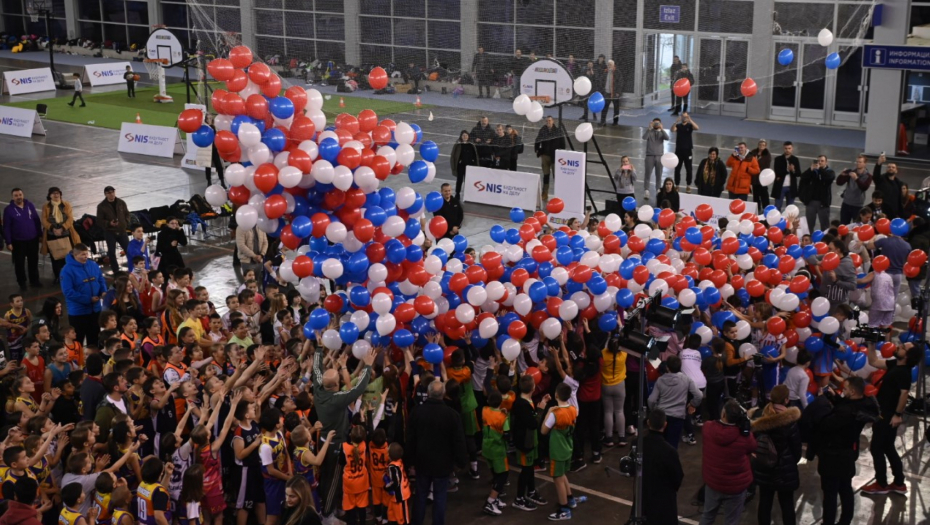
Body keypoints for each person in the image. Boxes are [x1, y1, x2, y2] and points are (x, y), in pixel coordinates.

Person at [312, 341, 375, 524]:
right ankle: (328, 514)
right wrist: (368, 366)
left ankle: (329, 507)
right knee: (333, 479)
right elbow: (358, 389)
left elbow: (316, 368)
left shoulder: (318, 389)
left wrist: (318, 348)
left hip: (323, 440)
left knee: (325, 476)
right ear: (335, 385)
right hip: (336, 444)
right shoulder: (337, 399)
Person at [805, 376, 879, 525]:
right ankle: (845, 520)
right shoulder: (861, 405)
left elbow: (825, 424)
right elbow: (845, 408)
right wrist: (835, 398)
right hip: (848, 454)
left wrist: (821, 404)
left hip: (833, 456)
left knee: (830, 494)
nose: (842, 391)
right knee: (846, 489)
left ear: (852, 391)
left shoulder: (845, 412)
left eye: (844, 389)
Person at [862, 342, 920, 496]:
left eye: (902, 347)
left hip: (888, 415)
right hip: (885, 413)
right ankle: (899, 482)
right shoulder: (896, 364)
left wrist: (897, 415)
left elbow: (904, 394)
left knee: (876, 448)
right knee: (888, 447)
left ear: (908, 355)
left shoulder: (903, 373)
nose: (898, 347)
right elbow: (873, 361)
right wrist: (871, 344)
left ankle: (881, 484)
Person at [407, 380, 467, 525]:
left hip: (422, 462)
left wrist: (409, 462)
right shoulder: (452, 415)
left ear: (428, 393)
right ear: (443, 394)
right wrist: (461, 462)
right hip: (443, 464)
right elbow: (458, 441)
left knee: (420, 495)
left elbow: (410, 439)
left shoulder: (417, 412)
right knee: (440, 497)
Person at [749, 385, 802, 525]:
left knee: (765, 503)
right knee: (787, 505)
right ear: (786, 400)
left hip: (764, 469)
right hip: (785, 472)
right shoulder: (790, 422)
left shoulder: (760, 417)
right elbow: (796, 450)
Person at [699, 399, 756, 525]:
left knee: (707, 515)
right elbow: (753, 447)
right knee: (731, 521)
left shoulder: (708, 428)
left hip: (713, 482)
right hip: (736, 487)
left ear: (723, 414)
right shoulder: (744, 437)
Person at [633, 408, 683, 524]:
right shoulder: (669, 451)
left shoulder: (637, 444)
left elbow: (632, 469)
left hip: (643, 500)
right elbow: (677, 477)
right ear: (665, 425)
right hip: (664, 504)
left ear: (648, 423)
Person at [541, 382, 579, 521]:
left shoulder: (555, 413)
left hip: (557, 450)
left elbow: (543, 431)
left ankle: (564, 509)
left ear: (556, 394)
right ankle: (570, 499)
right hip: (568, 448)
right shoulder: (573, 409)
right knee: (562, 474)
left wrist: (549, 412)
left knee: (557, 478)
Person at [647, 355, 702, 449]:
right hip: (678, 416)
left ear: (667, 367)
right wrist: (692, 404)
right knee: (673, 445)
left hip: (662, 416)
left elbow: (651, 400)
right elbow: (699, 395)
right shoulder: (686, 379)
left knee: (660, 445)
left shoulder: (660, 380)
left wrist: (655, 410)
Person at [60, 244, 106, 346]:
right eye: (82, 254)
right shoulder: (67, 270)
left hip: (95, 310)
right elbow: (68, 291)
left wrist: (103, 291)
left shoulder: (93, 265)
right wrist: (88, 299)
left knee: (94, 337)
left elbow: (100, 279)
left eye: (86, 254)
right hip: (78, 312)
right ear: (75, 255)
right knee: (78, 340)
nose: (85, 256)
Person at [4, 188, 43, 290]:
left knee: (33, 261)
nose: (19, 197)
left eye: (20, 195)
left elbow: (36, 220)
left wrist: (40, 234)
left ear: (23, 195)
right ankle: (22, 283)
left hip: (32, 239)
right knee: (19, 263)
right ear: (12, 197)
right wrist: (8, 242)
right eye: (16, 195)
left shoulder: (30, 205)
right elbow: (6, 227)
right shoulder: (8, 210)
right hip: (18, 242)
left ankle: (34, 280)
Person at [40, 187, 81, 282]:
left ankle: (71, 276)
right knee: (55, 258)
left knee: (68, 256)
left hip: (66, 234)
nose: (56, 195)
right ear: (49, 195)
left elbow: (70, 219)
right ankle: (58, 277)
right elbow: (44, 220)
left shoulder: (66, 205)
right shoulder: (46, 206)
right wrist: (52, 228)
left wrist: (62, 228)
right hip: (52, 235)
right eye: (53, 193)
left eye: (57, 193)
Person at [96, 186, 131, 275]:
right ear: (105, 194)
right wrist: (109, 223)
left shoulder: (121, 202)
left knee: (128, 250)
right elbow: (99, 221)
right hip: (110, 232)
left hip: (122, 230)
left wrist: (125, 222)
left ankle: (132, 268)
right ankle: (116, 271)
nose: (111, 194)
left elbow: (127, 213)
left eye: (112, 192)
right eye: (109, 193)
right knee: (111, 252)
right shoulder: (101, 206)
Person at [799, 155, 835, 231]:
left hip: (823, 203)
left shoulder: (830, 171)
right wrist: (810, 169)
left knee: (824, 224)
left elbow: (829, 178)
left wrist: (820, 170)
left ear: (826, 162)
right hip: (811, 202)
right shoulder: (813, 171)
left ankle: (824, 240)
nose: (820, 162)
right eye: (818, 161)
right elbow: (803, 177)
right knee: (809, 224)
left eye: (822, 161)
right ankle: (809, 239)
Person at [535, 116, 565, 202]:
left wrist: (560, 155)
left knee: (557, 176)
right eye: (547, 121)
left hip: (555, 157)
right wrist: (537, 150)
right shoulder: (543, 130)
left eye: (550, 120)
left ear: (553, 121)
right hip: (545, 156)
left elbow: (562, 144)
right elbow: (537, 140)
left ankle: (558, 194)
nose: (548, 122)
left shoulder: (558, 131)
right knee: (546, 175)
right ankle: (545, 193)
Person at [836, 154, 872, 225]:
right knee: (843, 225)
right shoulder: (851, 172)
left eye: (860, 162)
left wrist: (856, 179)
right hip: (846, 203)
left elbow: (864, 187)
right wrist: (841, 175)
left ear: (865, 164)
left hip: (857, 205)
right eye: (857, 162)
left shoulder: (868, 176)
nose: (858, 163)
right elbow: (839, 183)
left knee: (856, 225)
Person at [642, 118, 669, 201]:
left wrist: (662, 129)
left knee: (659, 174)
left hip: (659, 156)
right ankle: (646, 190)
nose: (656, 124)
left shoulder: (661, 133)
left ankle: (658, 189)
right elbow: (644, 137)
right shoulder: (650, 132)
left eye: (658, 123)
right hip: (649, 156)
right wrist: (649, 128)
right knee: (647, 174)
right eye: (655, 123)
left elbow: (667, 138)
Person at [671, 112, 698, 192]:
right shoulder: (678, 126)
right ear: (681, 117)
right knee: (677, 168)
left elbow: (697, 128)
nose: (684, 118)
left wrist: (690, 120)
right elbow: (672, 130)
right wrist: (676, 122)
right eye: (683, 116)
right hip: (679, 151)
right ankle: (677, 185)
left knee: (689, 169)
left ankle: (688, 185)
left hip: (688, 151)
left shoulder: (690, 126)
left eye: (686, 117)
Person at [772, 141, 801, 210]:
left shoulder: (795, 160)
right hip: (780, 187)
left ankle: (789, 221)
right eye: (786, 148)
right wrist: (787, 170)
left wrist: (793, 170)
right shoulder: (778, 159)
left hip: (791, 188)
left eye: (789, 148)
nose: (787, 150)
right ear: (783, 148)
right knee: (777, 207)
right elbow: (777, 172)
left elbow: (798, 173)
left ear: (792, 149)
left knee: (790, 208)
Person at [449, 131, 478, 198]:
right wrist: (453, 167)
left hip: (469, 166)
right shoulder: (458, 145)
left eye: (466, 135)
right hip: (461, 166)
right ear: (461, 137)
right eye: (463, 135)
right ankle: (457, 193)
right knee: (459, 180)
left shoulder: (471, 145)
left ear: (468, 136)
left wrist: (475, 165)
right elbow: (453, 156)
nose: (465, 137)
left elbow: (475, 156)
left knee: (468, 180)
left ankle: (468, 194)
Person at [873, 154, 903, 218]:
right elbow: (875, 175)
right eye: (889, 167)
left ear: (896, 170)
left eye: (893, 167)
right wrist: (879, 164)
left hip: (893, 213)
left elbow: (899, 200)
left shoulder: (898, 183)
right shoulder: (881, 179)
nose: (891, 168)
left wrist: (900, 214)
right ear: (886, 169)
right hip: (882, 213)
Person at [749, 140, 773, 209]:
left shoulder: (767, 154)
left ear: (765, 146)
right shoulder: (753, 152)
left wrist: (757, 162)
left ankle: (766, 208)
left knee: (764, 195)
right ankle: (757, 209)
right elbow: (749, 161)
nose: (761, 146)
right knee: (755, 195)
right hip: (755, 178)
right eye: (760, 144)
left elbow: (766, 166)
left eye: (763, 145)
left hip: (763, 178)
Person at [600, 60, 621, 126]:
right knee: (604, 108)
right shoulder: (605, 72)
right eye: (608, 64)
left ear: (613, 65)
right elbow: (601, 81)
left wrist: (618, 92)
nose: (609, 66)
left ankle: (615, 122)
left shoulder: (617, 72)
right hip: (607, 93)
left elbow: (620, 82)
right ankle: (603, 121)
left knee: (616, 108)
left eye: (610, 65)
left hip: (614, 93)